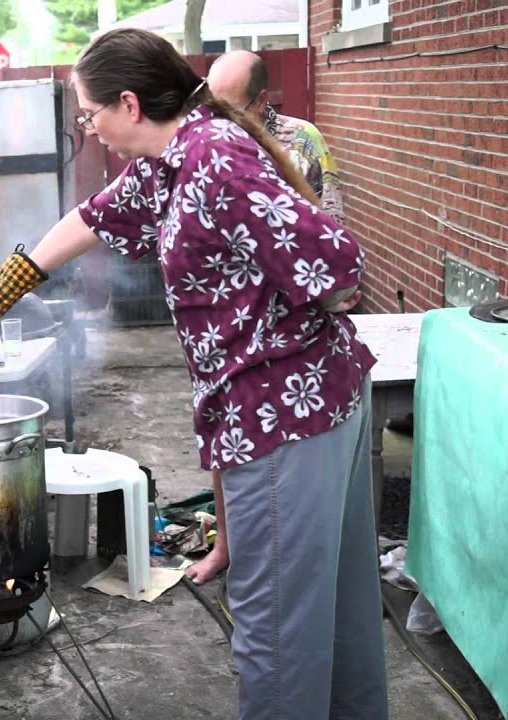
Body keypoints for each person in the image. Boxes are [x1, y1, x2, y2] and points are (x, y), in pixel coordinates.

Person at [0, 29, 387, 720]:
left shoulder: (214, 158)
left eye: (88, 113)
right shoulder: (170, 160)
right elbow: (95, 217)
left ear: (128, 104)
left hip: (285, 415)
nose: (87, 127)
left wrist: (270, 329)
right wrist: (15, 279)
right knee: (335, 614)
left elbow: (337, 264)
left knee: (276, 636)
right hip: (310, 404)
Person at [189, 49, 350, 584]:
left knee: (266, 451)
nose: (217, 113)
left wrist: (323, 293)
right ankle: (225, 545)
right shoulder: (204, 143)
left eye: (230, 103)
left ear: (261, 101)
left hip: (287, 314)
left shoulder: (302, 141)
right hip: (226, 317)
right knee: (220, 433)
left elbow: (327, 222)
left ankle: (272, 560)